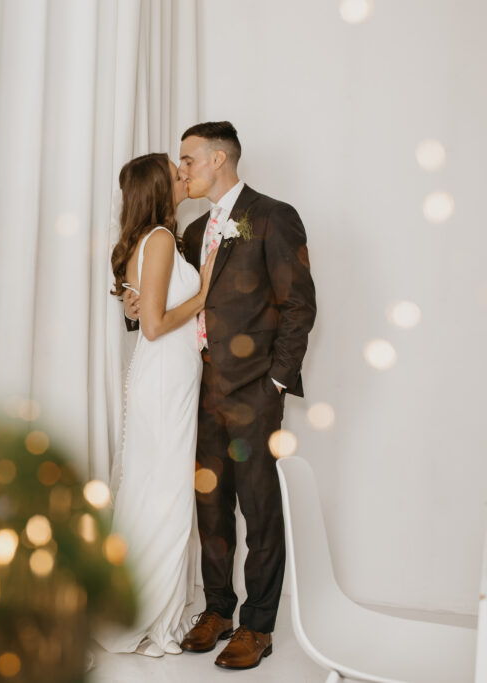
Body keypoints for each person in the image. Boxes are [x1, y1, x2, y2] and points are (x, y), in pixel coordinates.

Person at [173, 121, 317, 670]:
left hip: (254, 391)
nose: (182, 168)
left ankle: (258, 625)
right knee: (210, 505)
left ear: (217, 158)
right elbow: (188, 301)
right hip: (200, 386)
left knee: (259, 507)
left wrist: (275, 380)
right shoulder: (192, 230)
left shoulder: (272, 216)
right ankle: (217, 610)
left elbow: (299, 303)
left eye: (187, 158)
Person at [97, 153, 215, 657]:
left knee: (155, 494)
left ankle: (143, 613)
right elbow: (153, 324)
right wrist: (205, 290)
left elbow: (144, 306)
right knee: (164, 498)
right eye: (176, 171)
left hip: (167, 378)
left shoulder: (156, 239)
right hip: (164, 378)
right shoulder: (162, 240)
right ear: (159, 187)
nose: (184, 175)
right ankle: (144, 618)